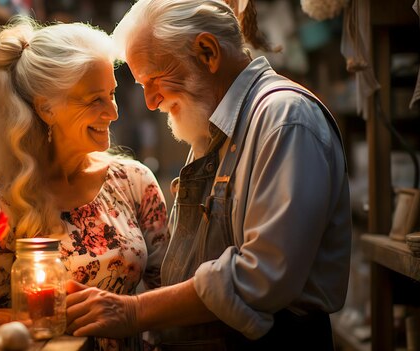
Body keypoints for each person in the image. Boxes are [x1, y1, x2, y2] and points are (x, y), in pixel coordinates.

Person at [65, 0, 352, 350]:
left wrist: (135, 311)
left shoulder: (284, 120)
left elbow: (263, 277)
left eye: (153, 80)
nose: (152, 102)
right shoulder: (215, 126)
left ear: (207, 52)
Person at [0, 16, 170, 351]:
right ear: (47, 108)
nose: (113, 112)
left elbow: (169, 294)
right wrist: (35, 319)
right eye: (95, 99)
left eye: (112, 94)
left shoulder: (134, 182)